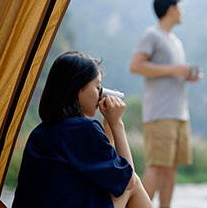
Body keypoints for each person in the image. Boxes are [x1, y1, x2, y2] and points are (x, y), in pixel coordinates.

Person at [12, 51, 152, 208]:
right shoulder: (83, 129)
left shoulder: (41, 132)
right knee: (135, 184)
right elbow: (127, 181)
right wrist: (117, 124)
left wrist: (108, 128)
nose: (100, 95)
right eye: (98, 87)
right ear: (77, 87)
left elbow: (105, 171)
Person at [130, 0, 200, 208]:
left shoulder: (175, 41)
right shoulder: (152, 35)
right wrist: (173, 70)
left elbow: (172, 72)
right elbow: (136, 65)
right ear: (171, 9)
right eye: (180, 7)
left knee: (171, 167)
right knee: (157, 165)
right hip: (159, 113)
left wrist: (186, 74)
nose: (182, 12)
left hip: (179, 112)